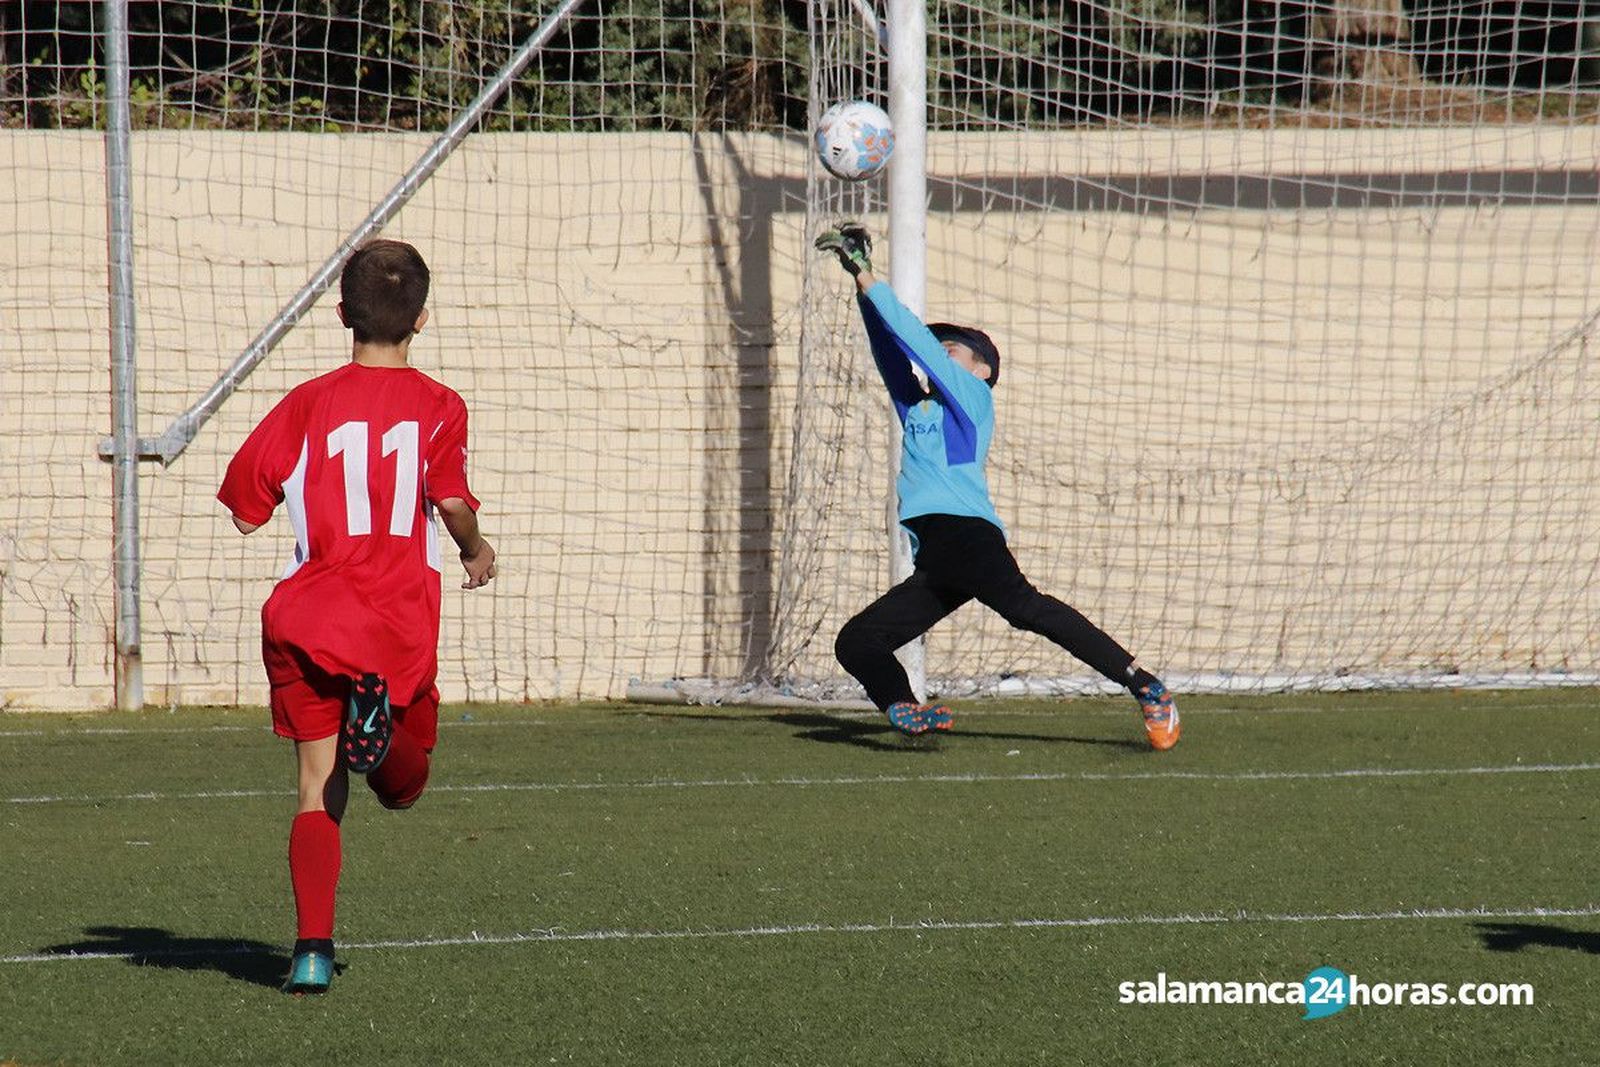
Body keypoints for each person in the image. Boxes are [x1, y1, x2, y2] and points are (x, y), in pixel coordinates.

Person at [218, 239, 497, 994]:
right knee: (403, 786)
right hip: (394, 619)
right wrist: (476, 546)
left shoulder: (307, 401)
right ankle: (377, 743)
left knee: (315, 787)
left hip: (308, 615)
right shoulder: (440, 404)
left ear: (342, 314)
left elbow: (245, 510)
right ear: (422, 320)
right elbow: (449, 501)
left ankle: (311, 948)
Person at [814, 222, 1178, 750]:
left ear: (981, 370)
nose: (941, 353)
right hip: (938, 555)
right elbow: (890, 350)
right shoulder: (919, 408)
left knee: (1027, 609)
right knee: (858, 641)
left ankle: (1145, 685)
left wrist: (869, 275)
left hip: (966, 536)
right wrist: (858, 281)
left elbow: (913, 340)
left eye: (952, 350)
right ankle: (904, 707)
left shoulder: (971, 397)